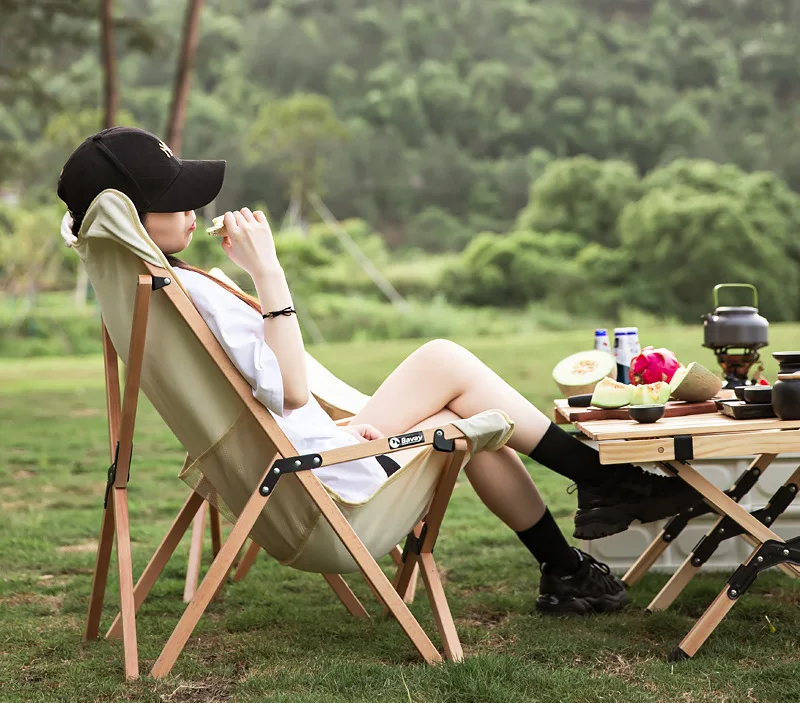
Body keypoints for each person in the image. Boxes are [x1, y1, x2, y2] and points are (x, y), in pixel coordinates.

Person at [58, 127, 698, 617]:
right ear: (129, 218)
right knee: (450, 367)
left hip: (301, 462)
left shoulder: (148, 288)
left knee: (460, 399)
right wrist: (268, 273)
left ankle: (569, 563)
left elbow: (276, 398)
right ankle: (597, 487)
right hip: (322, 484)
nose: (196, 210)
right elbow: (290, 390)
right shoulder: (192, 295)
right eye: (176, 201)